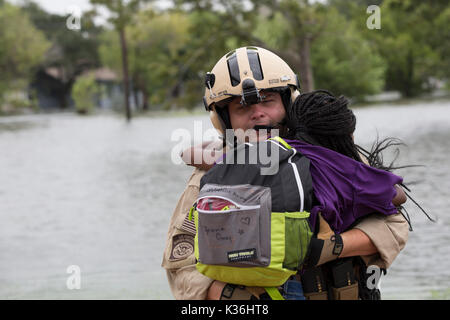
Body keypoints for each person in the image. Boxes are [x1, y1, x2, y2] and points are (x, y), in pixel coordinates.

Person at [162, 46, 409, 300]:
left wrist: (334, 247)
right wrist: (230, 297)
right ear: (223, 120)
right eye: (241, 107)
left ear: (288, 102)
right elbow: (181, 265)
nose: (257, 113)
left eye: (267, 101)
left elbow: (395, 226)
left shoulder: (330, 158)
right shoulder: (210, 180)